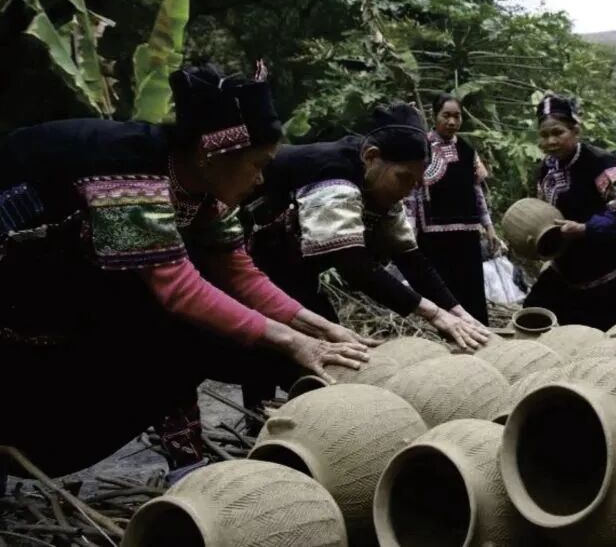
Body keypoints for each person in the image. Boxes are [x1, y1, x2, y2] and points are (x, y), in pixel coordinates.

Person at [0, 62, 370, 476]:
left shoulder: (207, 190)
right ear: (211, 156)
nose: (261, 180)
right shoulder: (129, 169)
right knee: (162, 336)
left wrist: (322, 330)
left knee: (181, 338)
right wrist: (294, 343)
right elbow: (179, 290)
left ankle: (186, 463)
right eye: (256, 164)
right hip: (23, 272)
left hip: (62, 272)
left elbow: (240, 273)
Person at [245, 102, 491, 357]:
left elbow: (409, 257)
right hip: (248, 258)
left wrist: (457, 312)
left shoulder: (380, 182)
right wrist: (434, 314)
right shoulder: (334, 172)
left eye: (416, 183)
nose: (409, 189)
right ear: (371, 157)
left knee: (328, 343)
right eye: (404, 178)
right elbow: (353, 264)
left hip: (287, 267)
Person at [522, 94, 616, 330]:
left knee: (613, 335)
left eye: (558, 132)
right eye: (544, 135)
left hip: (613, 269)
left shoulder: (604, 163)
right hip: (569, 267)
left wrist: (585, 229)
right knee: (534, 314)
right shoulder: (546, 169)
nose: (550, 141)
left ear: (576, 131)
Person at [405, 93, 502, 325]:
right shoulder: (422, 148)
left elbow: (477, 192)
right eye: (446, 116)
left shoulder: (467, 150)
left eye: (457, 116)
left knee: (472, 291)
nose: (451, 122)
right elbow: (412, 194)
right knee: (442, 294)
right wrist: (410, 231)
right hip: (433, 236)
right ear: (434, 116)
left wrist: (489, 228)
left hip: (467, 235)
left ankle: (479, 336)